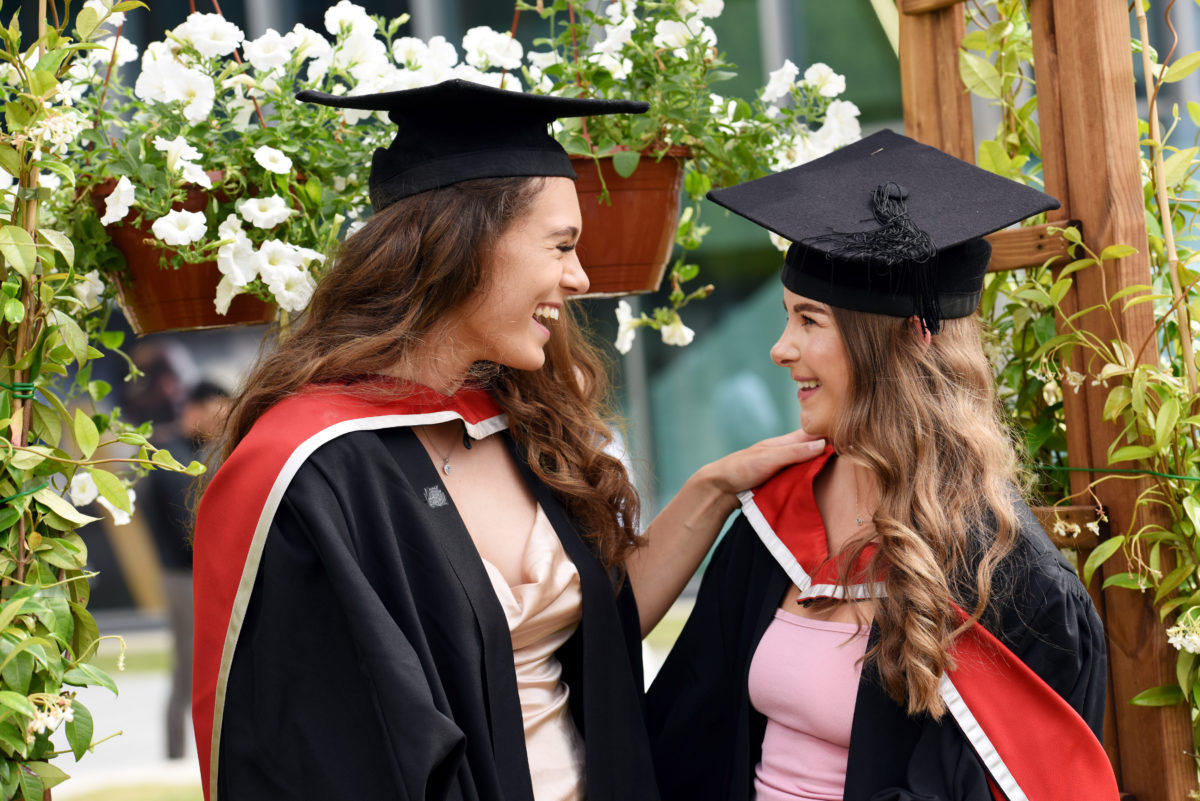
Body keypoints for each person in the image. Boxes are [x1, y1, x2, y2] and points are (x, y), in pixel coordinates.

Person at [190, 79, 823, 801]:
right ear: (466, 245)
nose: (580, 277)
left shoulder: (516, 420)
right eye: (561, 245)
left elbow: (596, 643)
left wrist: (716, 487)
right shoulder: (314, 468)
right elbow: (318, 751)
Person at [647, 130, 1120, 801]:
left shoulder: (1013, 583)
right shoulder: (779, 521)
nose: (781, 349)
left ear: (895, 344)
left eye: (809, 320)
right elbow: (683, 736)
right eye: (787, 318)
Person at [139, 379, 229, 760]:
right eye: (217, 413)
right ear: (196, 410)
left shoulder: (201, 452)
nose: (222, 421)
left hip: (200, 573)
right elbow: (188, 526)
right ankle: (176, 758)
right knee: (191, 669)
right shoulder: (170, 458)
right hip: (184, 577)